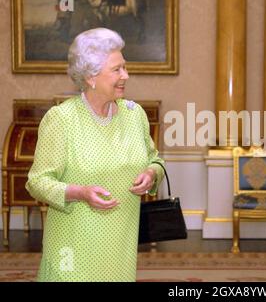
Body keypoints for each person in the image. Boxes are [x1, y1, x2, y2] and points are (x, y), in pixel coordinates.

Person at [26, 28, 164, 282]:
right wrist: (80, 192)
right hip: (73, 250)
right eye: (117, 70)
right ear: (90, 76)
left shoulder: (135, 115)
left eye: (125, 67)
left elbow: (155, 159)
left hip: (121, 247)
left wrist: (151, 173)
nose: (126, 75)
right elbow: (37, 182)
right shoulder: (62, 119)